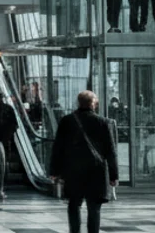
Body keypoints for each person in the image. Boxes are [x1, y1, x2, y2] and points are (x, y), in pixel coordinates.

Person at [49, 91, 119, 233]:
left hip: (74, 169)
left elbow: (58, 148)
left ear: (78, 103)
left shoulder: (67, 121)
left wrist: (54, 171)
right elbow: (111, 151)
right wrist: (114, 175)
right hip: (97, 170)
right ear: (93, 104)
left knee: (74, 204)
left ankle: (74, 231)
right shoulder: (104, 123)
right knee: (94, 207)